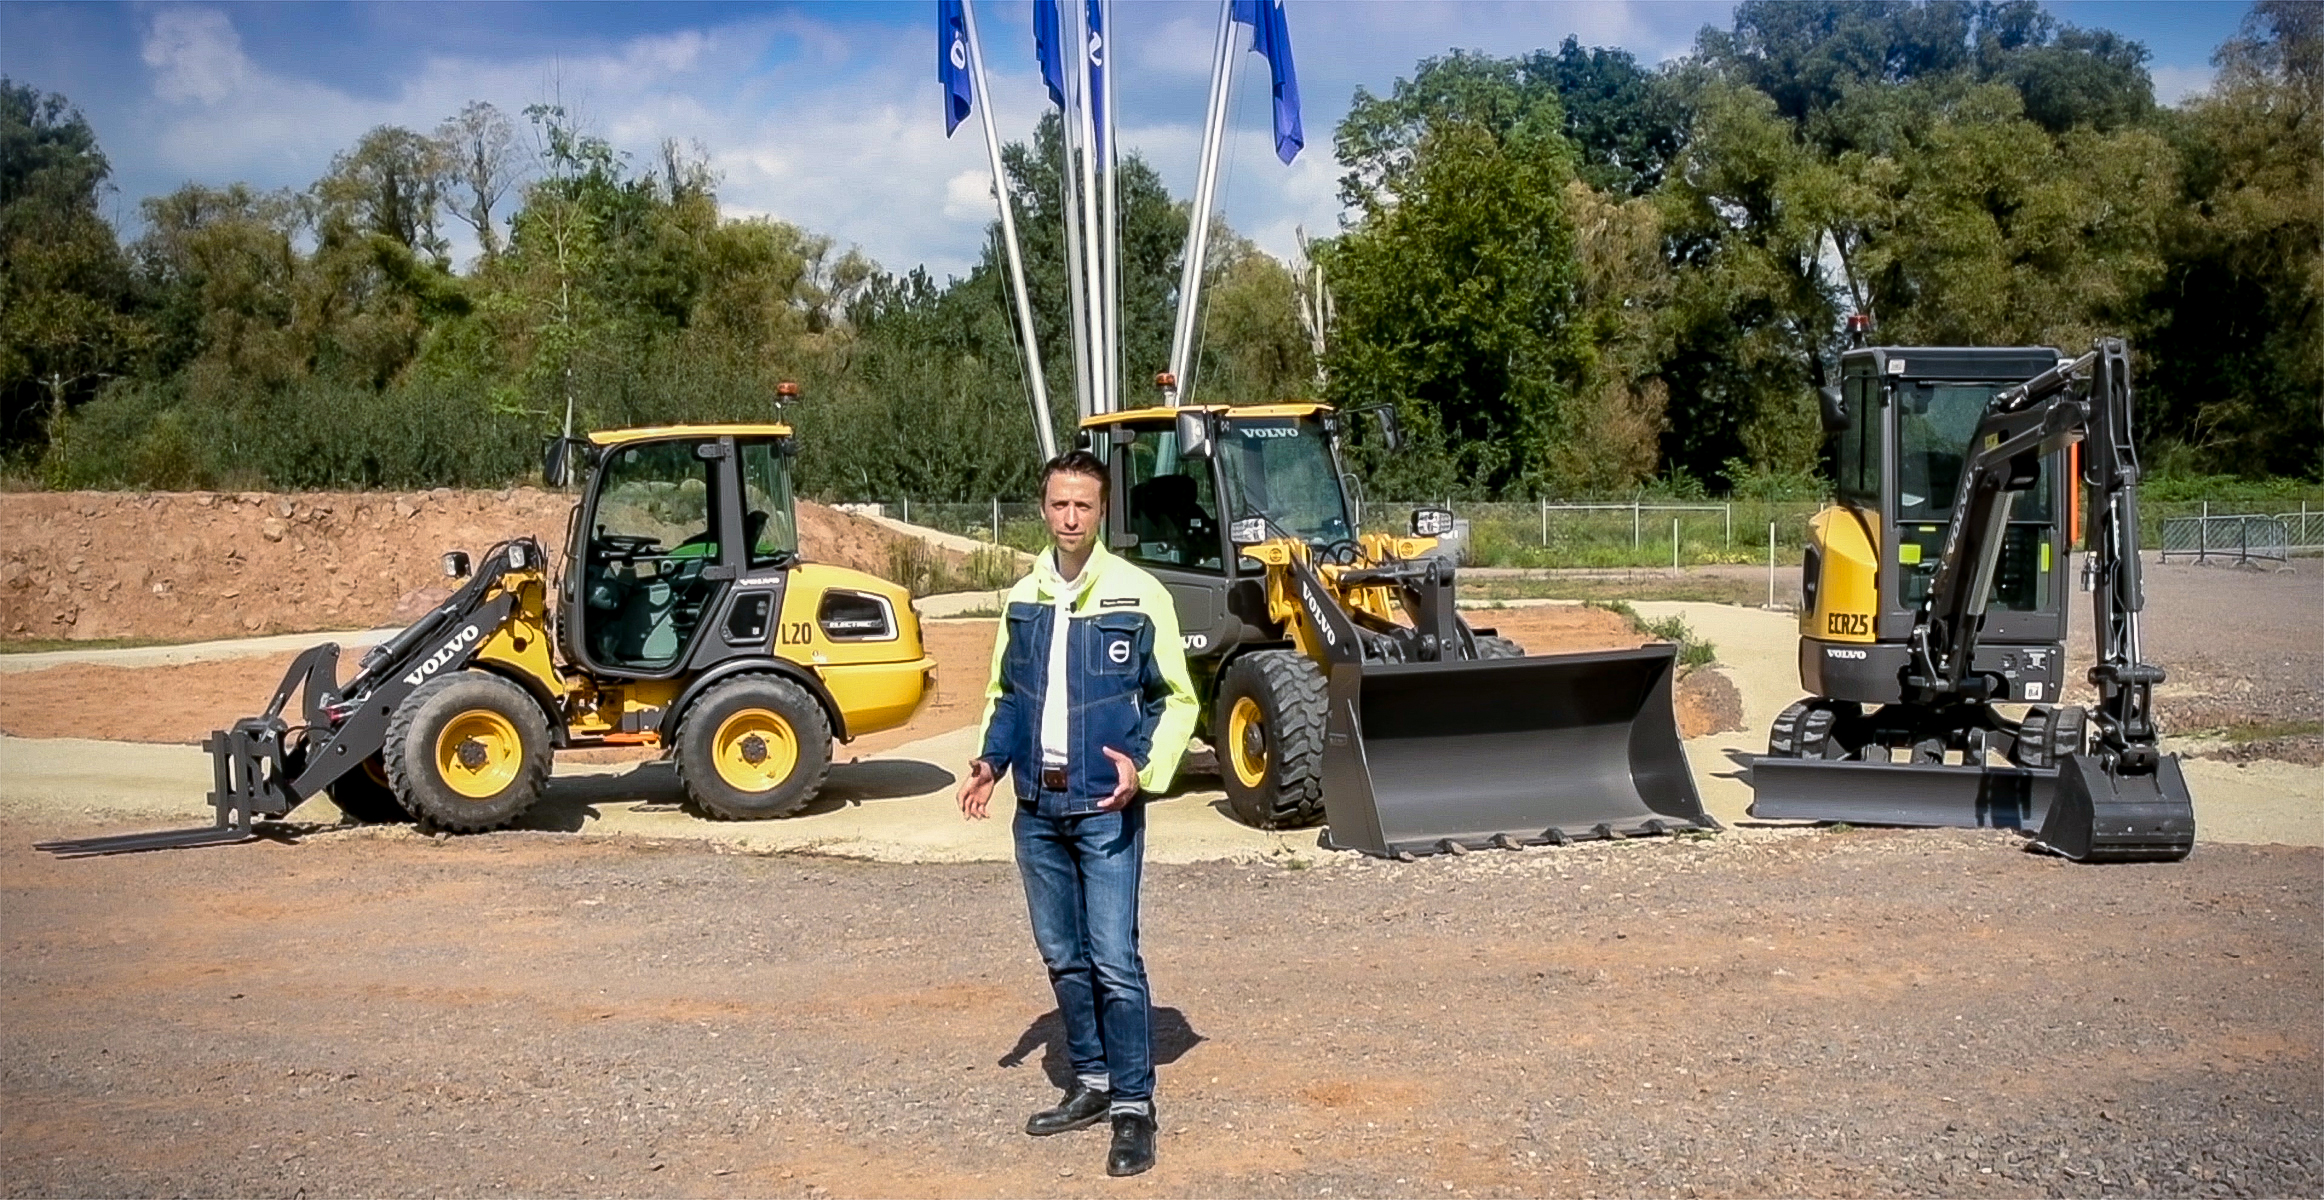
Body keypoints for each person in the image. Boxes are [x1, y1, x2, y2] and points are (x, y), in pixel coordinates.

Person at [957, 449, 1198, 1178]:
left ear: (1102, 512)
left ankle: (1133, 1106)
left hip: (1104, 807)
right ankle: (1091, 1081)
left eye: (1083, 505)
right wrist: (990, 762)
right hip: (1037, 808)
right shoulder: (1023, 597)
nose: (1070, 518)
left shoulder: (1139, 594)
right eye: (1059, 504)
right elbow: (1006, 695)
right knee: (1063, 955)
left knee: (1114, 960)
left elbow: (1176, 698)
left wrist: (1144, 771)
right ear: (1043, 509)